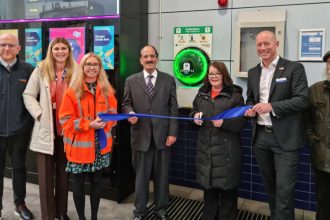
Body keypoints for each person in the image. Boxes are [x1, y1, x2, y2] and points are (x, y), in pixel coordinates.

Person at [244, 30, 309, 220]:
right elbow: (251, 98)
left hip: (286, 139)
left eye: (267, 44)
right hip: (261, 137)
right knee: (270, 188)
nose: (262, 48)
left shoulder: (293, 68)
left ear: (277, 44)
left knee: (284, 192)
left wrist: (271, 106)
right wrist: (250, 108)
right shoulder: (253, 72)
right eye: (259, 45)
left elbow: (302, 100)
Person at [23, 37, 79, 220]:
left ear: (69, 51)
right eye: (57, 48)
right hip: (47, 130)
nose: (60, 51)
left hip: (67, 130)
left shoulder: (75, 70)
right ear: (51, 50)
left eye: (64, 48)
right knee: (45, 178)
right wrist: (39, 114)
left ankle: (61, 212)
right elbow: (28, 94)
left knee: (64, 176)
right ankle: (48, 215)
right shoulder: (41, 69)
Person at [122, 45, 178, 220]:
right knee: (141, 178)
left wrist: (172, 133)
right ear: (140, 60)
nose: (149, 59)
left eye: (152, 56)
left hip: (163, 136)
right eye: (145, 56)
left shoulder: (168, 80)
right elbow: (126, 103)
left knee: (162, 177)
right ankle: (139, 212)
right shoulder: (131, 80)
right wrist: (129, 113)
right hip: (141, 135)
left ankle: (161, 210)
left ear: (157, 58)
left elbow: (173, 108)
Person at [59, 52, 117, 220]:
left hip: (101, 145)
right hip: (79, 147)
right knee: (78, 184)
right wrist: (88, 124)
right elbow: (65, 120)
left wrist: (107, 122)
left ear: (100, 68)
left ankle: (93, 217)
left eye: (96, 64)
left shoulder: (107, 90)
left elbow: (113, 115)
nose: (92, 67)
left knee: (97, 183)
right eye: (88, 64)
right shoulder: (72, 91)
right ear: (82, 67)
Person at [191, 61, 245, 220]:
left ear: (224, 75)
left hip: (226, 153)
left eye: (217, 73)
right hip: (206, 151)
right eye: (211, 74)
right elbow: (194, 111)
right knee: (209, 193)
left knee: (228, 193)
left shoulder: (235, 96)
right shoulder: (202, 94)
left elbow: (241, 122)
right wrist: (194, 117)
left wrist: (224, 123)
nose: (214, 77)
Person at [0, 33, 34, 220]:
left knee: (19, 168)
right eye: (3, 44)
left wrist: (28, 123)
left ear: (18, 49)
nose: (6, 48)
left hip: (19, 130)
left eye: (11, 45)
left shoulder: (27, 70)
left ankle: (19, 204)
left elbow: (35, 98)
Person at [305, 51, 330, 220]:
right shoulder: (315, 90)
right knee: (324, 202)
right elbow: (305, 120)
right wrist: (313, 141)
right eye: (329, 63)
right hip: (323, 159)